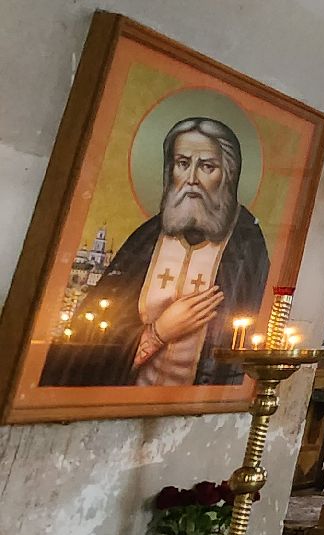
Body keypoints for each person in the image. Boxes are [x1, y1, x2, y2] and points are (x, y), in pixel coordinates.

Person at [43, 117, 269, 389]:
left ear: (228, 175)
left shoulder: (246, 246)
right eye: (183, 164)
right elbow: (87, 338)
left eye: (207, 166)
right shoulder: (145, 239)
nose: (192, 179)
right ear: (169, 170)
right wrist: (159, 333)